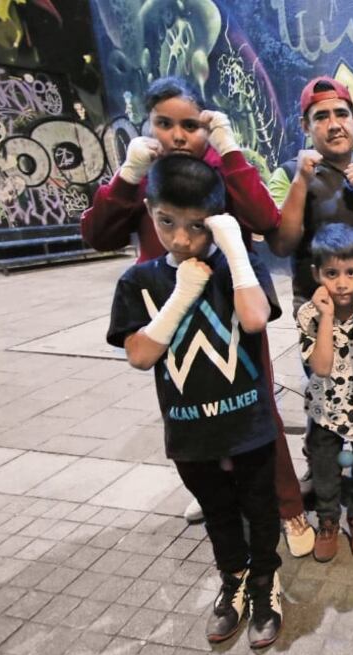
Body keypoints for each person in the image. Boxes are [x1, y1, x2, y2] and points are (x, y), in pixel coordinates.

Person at [81, 76, 313, 559]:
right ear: (149, 126)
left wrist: (229, 151)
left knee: (257, 408)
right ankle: (216, 496)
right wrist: (126, 175)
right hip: (167, 309)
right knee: (190, 408)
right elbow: (98, 235)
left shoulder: (219, 172)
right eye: (165, 124)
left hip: (234, 303)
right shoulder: (146, 181)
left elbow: (266, 219)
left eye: (191, 125)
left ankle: (287, 504)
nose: (178, 135)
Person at [106, 155, 283, 648]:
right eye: (167, 223)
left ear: (217, 220)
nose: (182, 240)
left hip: (249, 421)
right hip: (188, 428)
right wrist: (179, 298)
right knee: (219, 512)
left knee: (261, 509)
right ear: (150, 211)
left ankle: (267, 586)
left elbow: (254, 320)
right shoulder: (139, 281)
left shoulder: (236, 268)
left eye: (197, 226)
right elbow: (140, 355)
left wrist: (235, 249)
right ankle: (236, 580)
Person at [268, 76, 353, 316]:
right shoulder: (288, 174)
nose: (334, 124)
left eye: (341, 114)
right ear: (305, 126)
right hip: (320, 312)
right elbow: (281, 245)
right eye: (321, 117)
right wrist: (300, 182)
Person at [297, 223, 353, 563]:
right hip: (324, 411)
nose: (342, 282)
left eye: (351, 272)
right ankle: (328, 519)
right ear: (317, 274)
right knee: (324, 473)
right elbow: (321, 366)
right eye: (332, 273)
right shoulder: (309, 315)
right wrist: (326, 316)